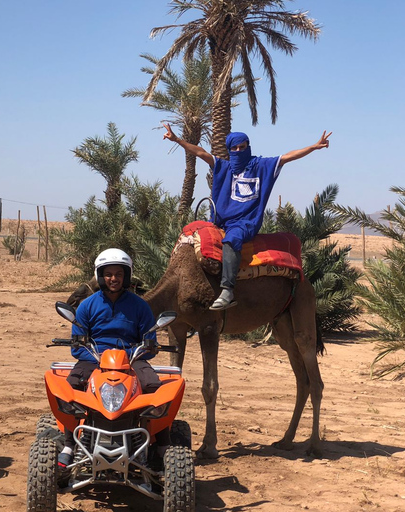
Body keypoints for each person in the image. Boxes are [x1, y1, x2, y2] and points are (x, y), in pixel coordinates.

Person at [163, 123, 331, 310]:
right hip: (221, 221)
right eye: (234, 148)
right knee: (194, 234)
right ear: (229, 150)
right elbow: (201, 153)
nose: (238, 151)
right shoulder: (224, 167)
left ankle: (227, 290)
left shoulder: (260, 165)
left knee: (231, 240)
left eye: (242, 147)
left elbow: (287, 157)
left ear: (248, 147)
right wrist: (177, 139)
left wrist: (313, 147)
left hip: (245, 223)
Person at [59, 248, 168, 468]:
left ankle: (162, 444)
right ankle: (69, 444)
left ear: (126, 276)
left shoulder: (140, 306)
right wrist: (98, 356)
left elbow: (150, 341)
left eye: (118, 274)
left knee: (156, 389)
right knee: (70, 388)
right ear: (100, 275)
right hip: (94, 358)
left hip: (131, 358)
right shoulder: (87, 306)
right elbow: (77, 345)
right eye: (108, 274)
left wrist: (141, 350)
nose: (113, 279)